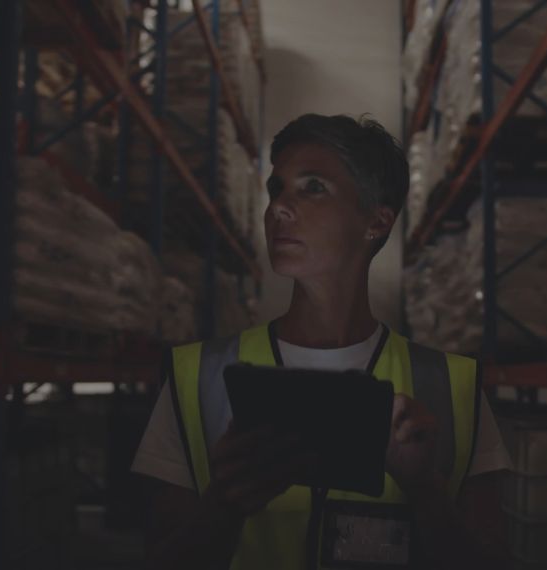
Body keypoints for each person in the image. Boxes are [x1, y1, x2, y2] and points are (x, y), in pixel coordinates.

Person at [132, 114, 511, 569]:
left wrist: (424, 490)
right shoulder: (193, 377)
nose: (279, 208)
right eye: (276, 189)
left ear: (376, 221)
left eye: (313, 188)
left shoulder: (455, 386)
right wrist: (224, 504)